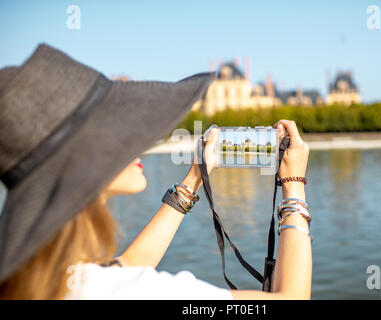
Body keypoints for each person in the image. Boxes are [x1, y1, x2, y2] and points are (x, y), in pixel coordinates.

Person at [0, 44, 311, 300]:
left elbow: (127, 268)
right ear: (85, 161)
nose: (139, 141)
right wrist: (294, 185)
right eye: (120, 132)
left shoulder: (42, 279)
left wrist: (194, 179)